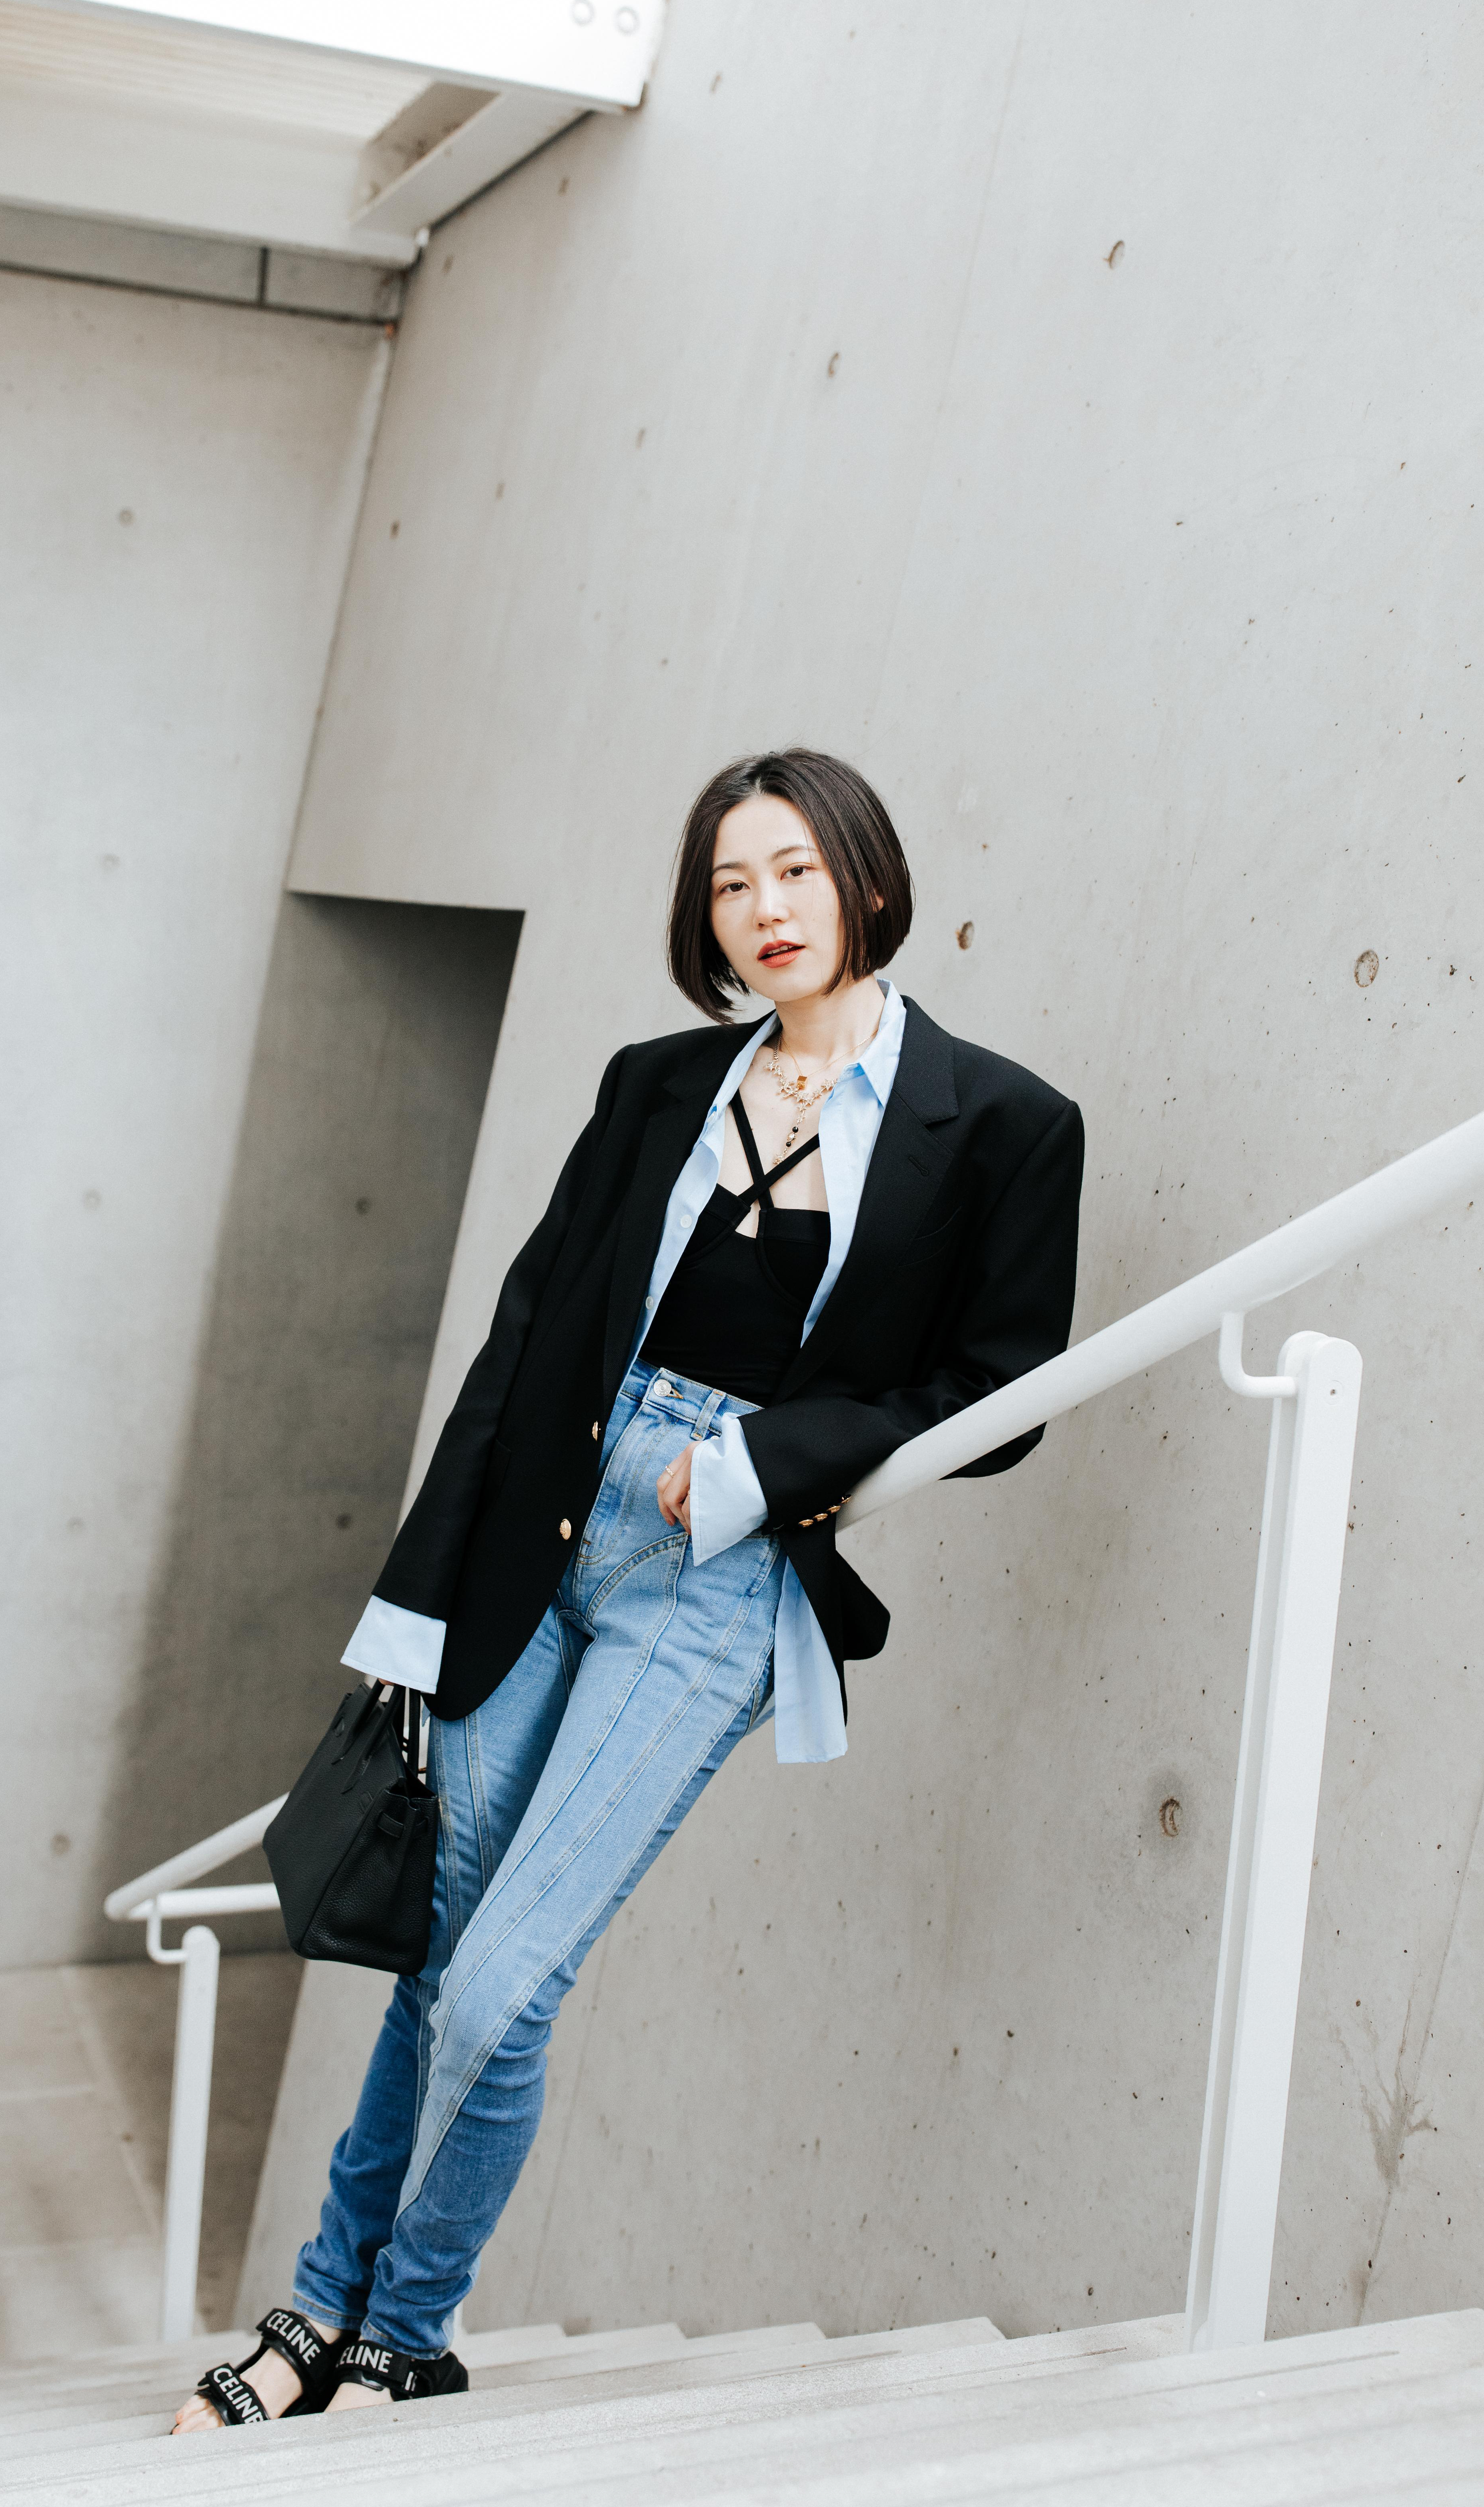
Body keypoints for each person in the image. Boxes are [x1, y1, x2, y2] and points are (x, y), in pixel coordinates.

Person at [174, 746, 1083, 2430]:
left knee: (508, 1983)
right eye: (734, 884)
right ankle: (322, 2320)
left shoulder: (1003, 1124)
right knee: (439, 1958)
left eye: (796, 871)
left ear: (867, 880)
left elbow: (1000, 1398)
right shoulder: (654, 1084)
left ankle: (404, 2330)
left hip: (713, 1577)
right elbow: (522, 1343)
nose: (766, 910)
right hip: (542, 1531)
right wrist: (410, 1604)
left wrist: (765, 1463)